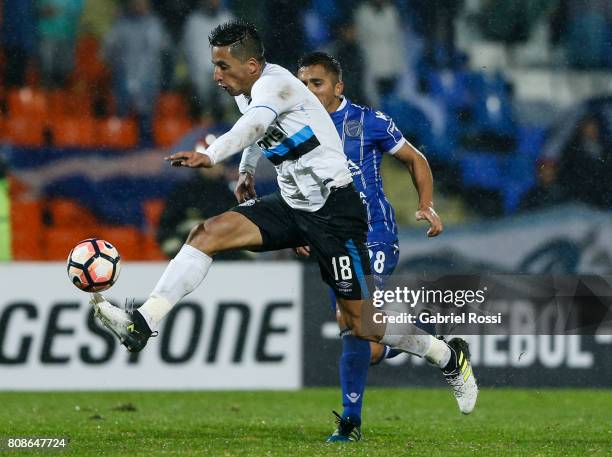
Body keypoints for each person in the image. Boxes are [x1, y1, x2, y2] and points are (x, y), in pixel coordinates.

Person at [91, 19, 477, 431]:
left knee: (362, 325)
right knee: (206, 233)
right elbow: (260, 133)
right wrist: (244, 171)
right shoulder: (247, 91)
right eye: (214, 66)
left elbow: (255, 125)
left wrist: (214, 154)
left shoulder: (276, 85)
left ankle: (446, 356)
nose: (215, 76)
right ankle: (144, 320)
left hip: (334, 212)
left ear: (253, 65)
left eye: (223, 66)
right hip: (293, 205)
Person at [297, 52, 443, 442]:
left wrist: (425, 205)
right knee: (364, 339)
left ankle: (350, 423)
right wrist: (302, 232)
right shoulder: (297, 127)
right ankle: (424, 335)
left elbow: (415, 159)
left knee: (358, 329)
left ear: (337, 87)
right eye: (304, 84)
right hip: (332, 239)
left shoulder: (368, 121)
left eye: (318, 83)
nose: (310, 91)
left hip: (374, 233)